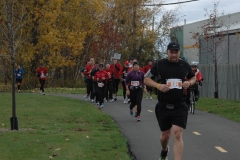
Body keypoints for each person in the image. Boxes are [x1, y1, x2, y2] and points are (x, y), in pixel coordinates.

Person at [144, 42, 196, 160]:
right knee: (165, 136)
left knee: (177, 134)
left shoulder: (184, 65)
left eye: (176, 52)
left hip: (180, 105)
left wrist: (189, 83)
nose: (173, 55)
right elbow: (146, 79)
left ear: (179, 52)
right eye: (171, 52)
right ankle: (164, 150)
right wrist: (158, 86)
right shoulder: (159, 65)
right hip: (163, 106)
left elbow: (193, 77)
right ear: (167, 52)